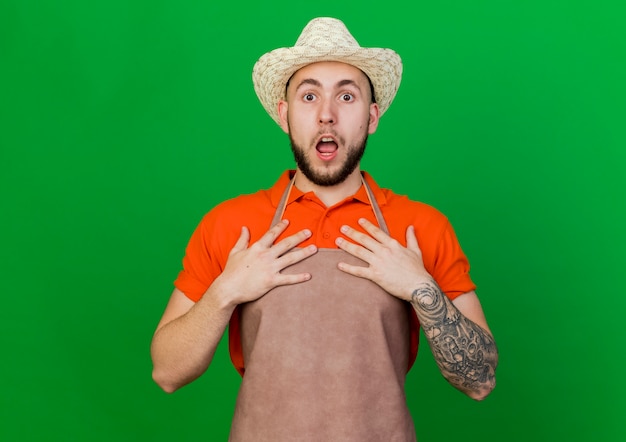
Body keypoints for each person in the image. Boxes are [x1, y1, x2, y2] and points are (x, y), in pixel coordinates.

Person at [151, 17, 498, 441]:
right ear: (285, 115)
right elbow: (167, 372)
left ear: (371, 117)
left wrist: (419, 287)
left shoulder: (420, 226)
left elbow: (479, 380)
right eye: (309, 96)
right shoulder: (231, 224)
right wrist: (226, 291)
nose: (327, 115)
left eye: (346, 97)